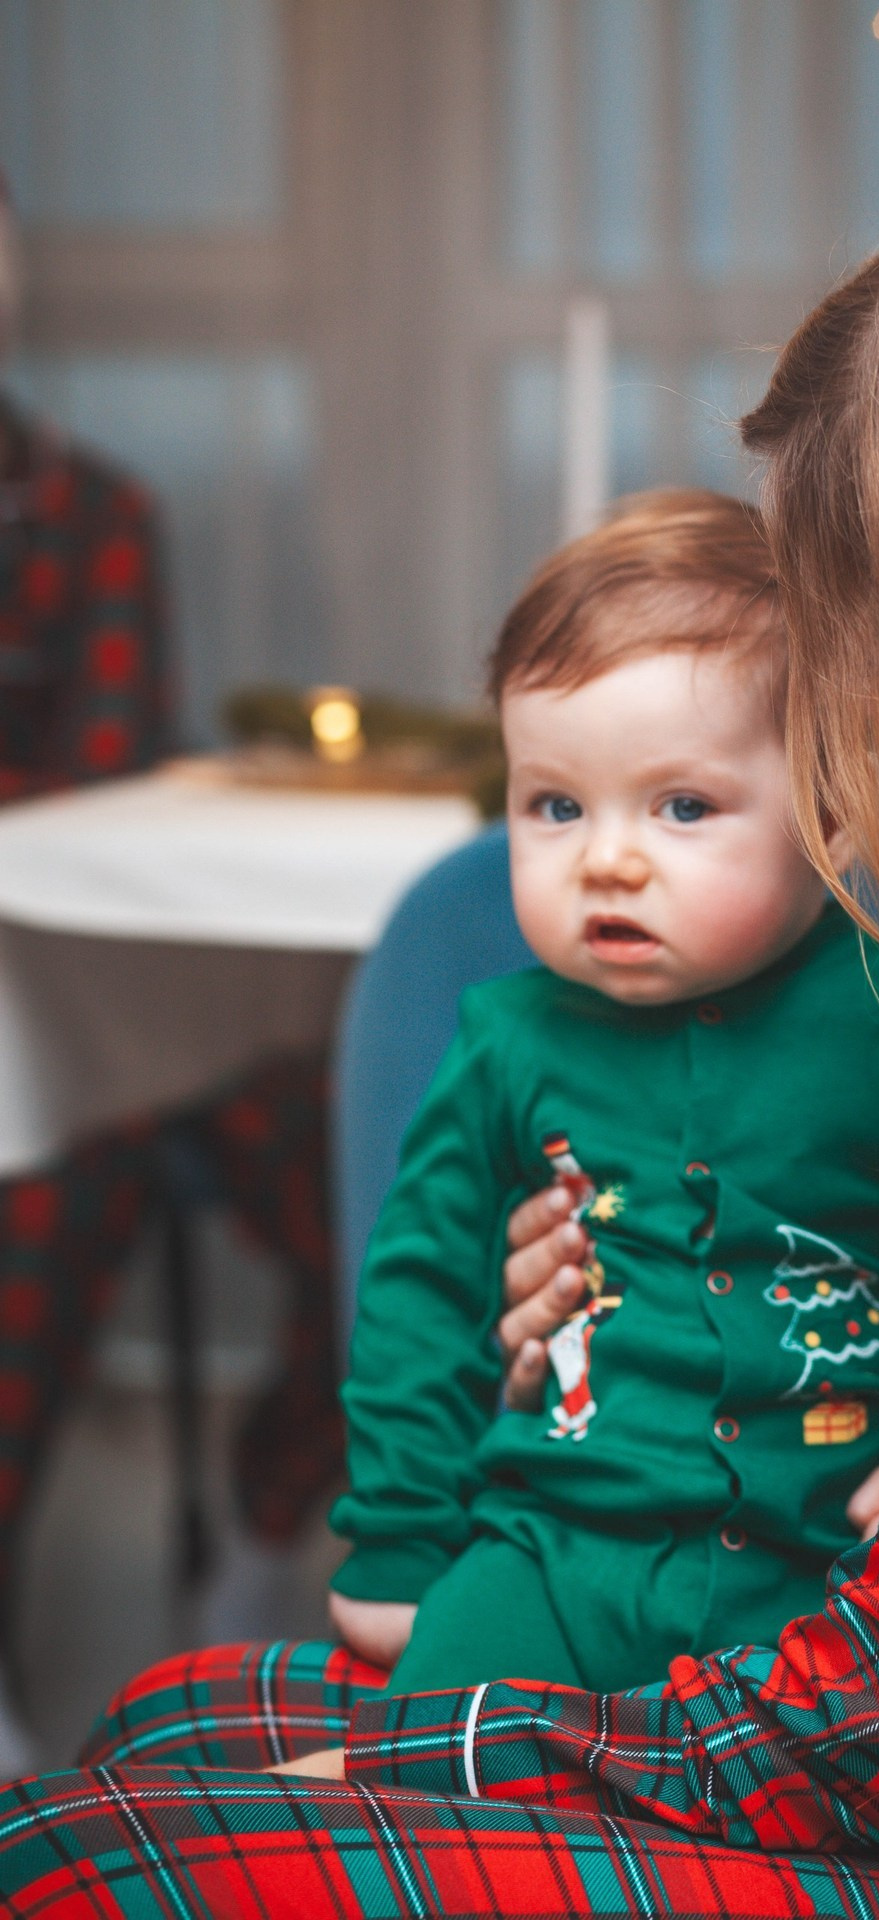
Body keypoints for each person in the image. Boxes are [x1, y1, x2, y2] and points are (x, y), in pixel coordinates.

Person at [1, 153, 879, 1916]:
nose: (858, 727)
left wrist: (429, 1757)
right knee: (165, 1725)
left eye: (875, 649)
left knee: (95, 1861)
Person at [325, 488, 879, 1694]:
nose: (608, 857)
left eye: (682, 806)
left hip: (823, 1568)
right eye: (554, 805)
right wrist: (400, 1536)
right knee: (415, 1773)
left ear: (830, 812)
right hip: (553, 1547)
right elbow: (417, 1293)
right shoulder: (504, 1040)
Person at [0, 176, 343, 1765]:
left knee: (391, 1196)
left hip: (149, 1028)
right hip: (41, 1052)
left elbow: (100, 781)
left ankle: (270, 1539)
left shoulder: (91, 511)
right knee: (44, 1193)